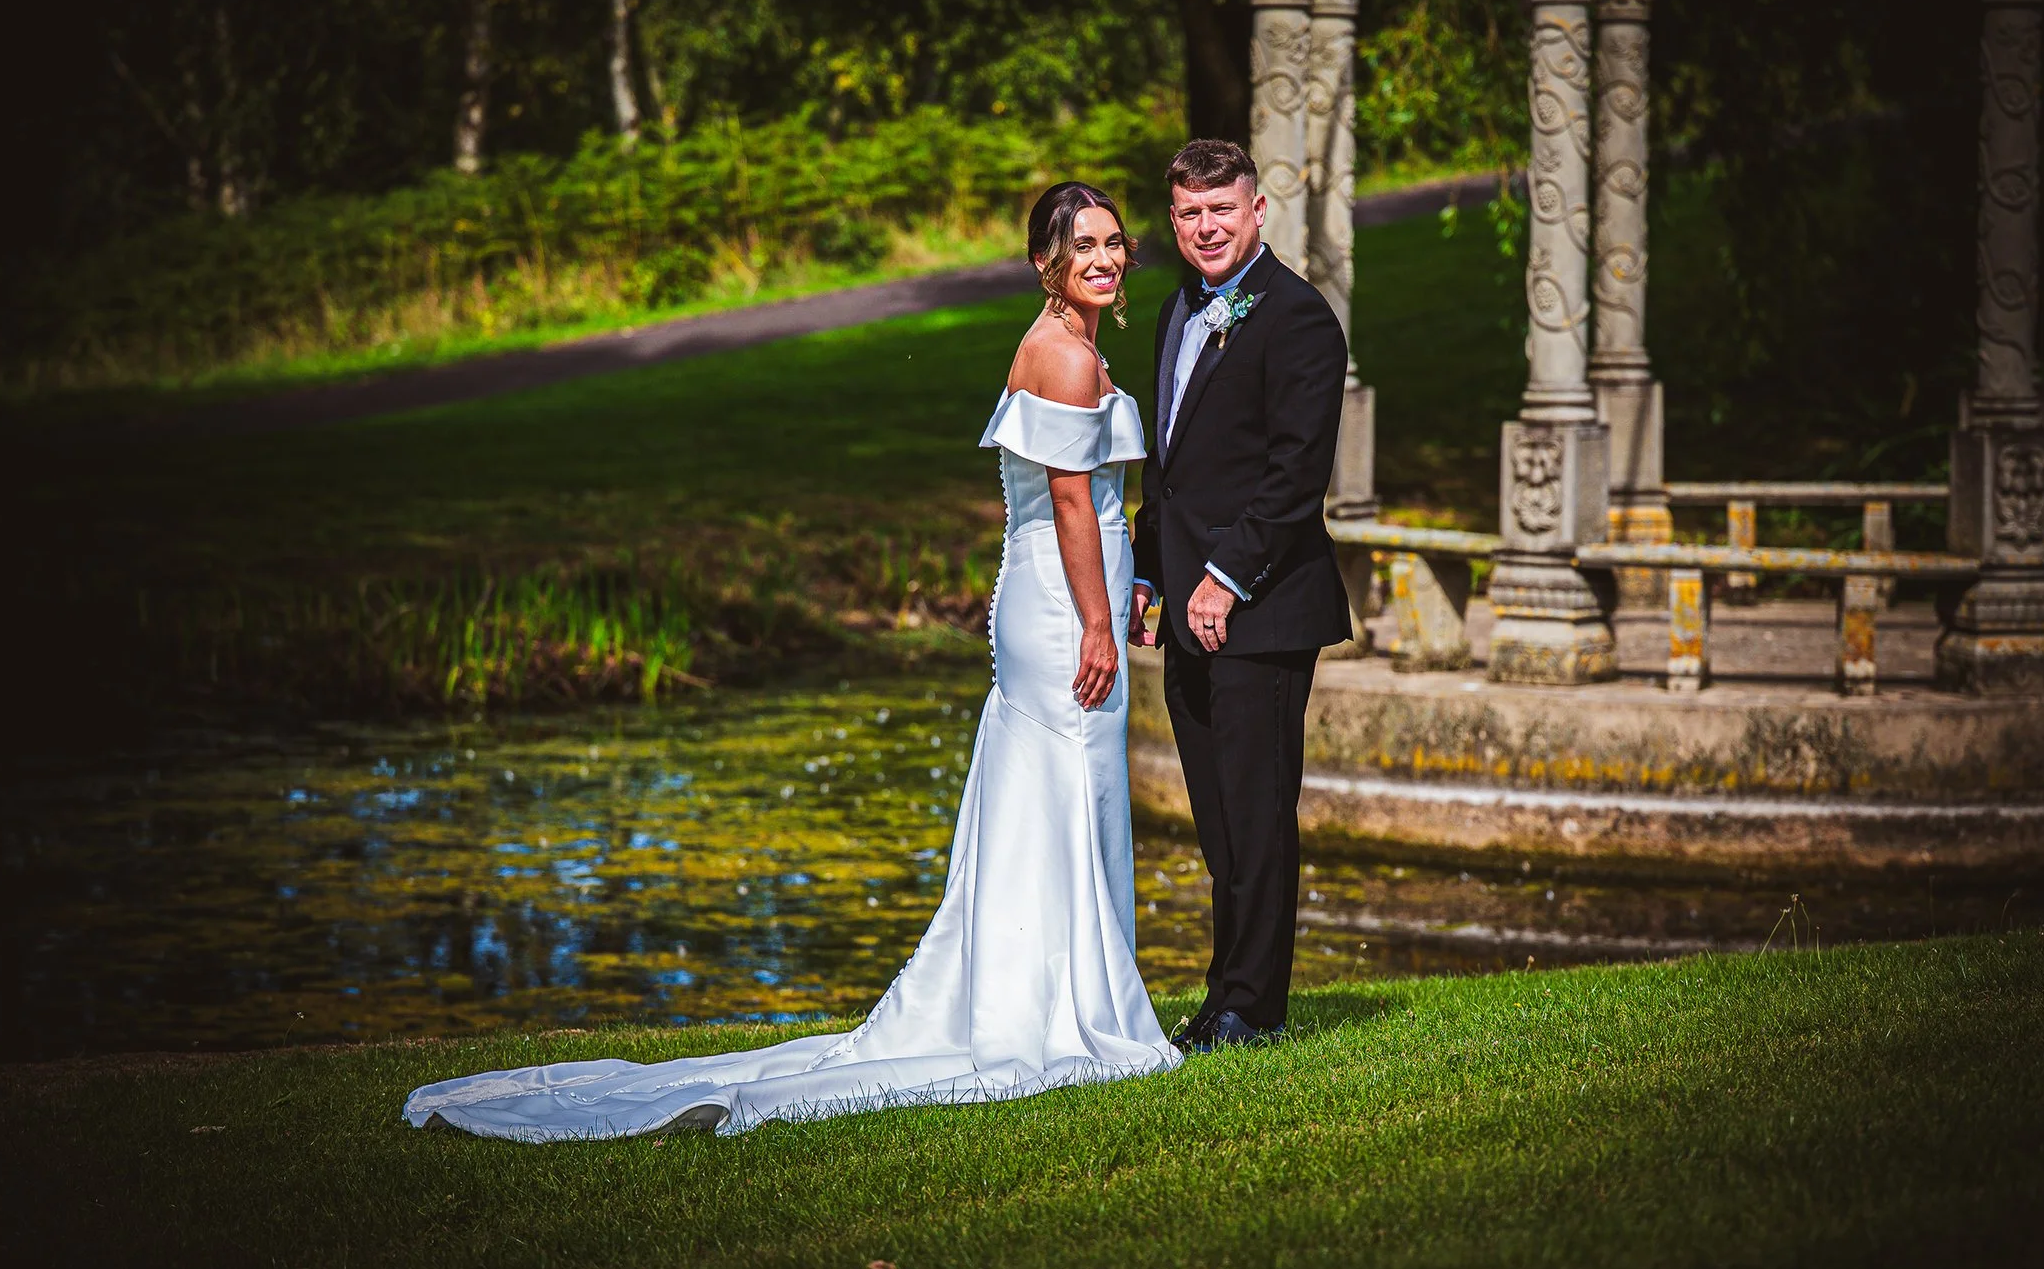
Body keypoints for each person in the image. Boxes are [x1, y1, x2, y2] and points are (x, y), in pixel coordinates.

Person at [403, 181, 1180, 1140]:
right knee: (1070, 781)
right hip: (1064, 608)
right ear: (1045, 262)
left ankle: (1059, 995)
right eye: (1085, 247)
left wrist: (1127, 579)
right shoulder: (1060, 356)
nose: (1105, 260)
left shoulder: (1075, 344)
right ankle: (1060, 1015)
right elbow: (1068, 504)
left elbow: (1093, 503)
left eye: (1114, 244)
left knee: (1069, 791)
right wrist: (1101, 623)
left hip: (1073, 588)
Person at [1130, 139, 1351, 1053]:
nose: (1206, 227)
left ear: (1258, 211)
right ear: (1174, 220)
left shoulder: (1298, 319)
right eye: (1189, 213)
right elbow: (1172, 473)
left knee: (1257, 812)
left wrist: (1223, 580)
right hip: (1183, 608)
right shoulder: (1179, 311)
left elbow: (1296, 476)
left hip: (1258, 609)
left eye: (1222, 210)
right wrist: (1148, 572)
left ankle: (1254, 1009)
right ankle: (1227, 993)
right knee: (1221, 817)